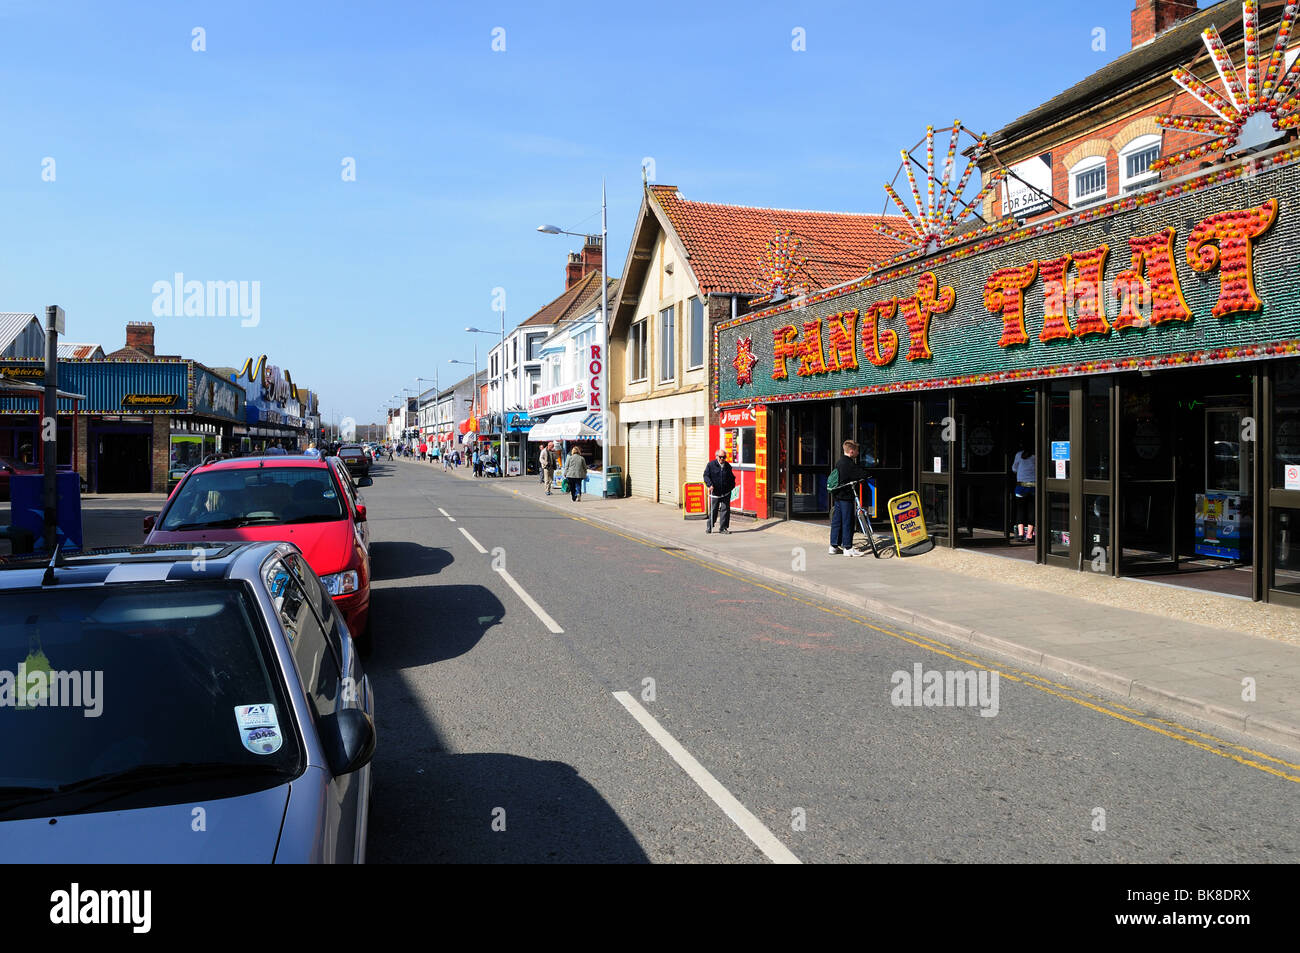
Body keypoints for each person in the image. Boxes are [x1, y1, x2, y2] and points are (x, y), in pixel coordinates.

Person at [829, 439, 868, 556]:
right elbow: (862, 474)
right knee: (848, 521)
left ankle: (833, 546)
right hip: (846, 497)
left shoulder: (839, 462)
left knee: (837, 521)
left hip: (838, 496)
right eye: (856, 451)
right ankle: (848, 547)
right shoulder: (849, 464)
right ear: (851, 451)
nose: (857, 453)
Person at [703, 447, 736, 534]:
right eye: (721, 457)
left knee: (725, 510)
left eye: (724, 457)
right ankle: (709, 527)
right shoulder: (711, 465)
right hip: (715, 492)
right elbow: (706, 475)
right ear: (716, 456)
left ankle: (723, 528)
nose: (722, 459)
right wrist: (709, 485)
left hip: (725, 492)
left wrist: (731, 487)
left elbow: (732, 478)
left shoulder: (727, 466)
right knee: (714, 510)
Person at [1011, 437, 1036, 542]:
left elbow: (1014, 469)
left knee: (1020, 510)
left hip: (1021, 486)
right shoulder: (1036, 456)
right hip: (1034, 486)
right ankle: (1030, 535)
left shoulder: (1019, 455)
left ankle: (1021, 534)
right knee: (1032, 510)